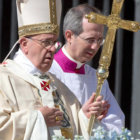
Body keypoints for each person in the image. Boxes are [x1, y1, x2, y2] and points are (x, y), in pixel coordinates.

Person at [0, 1, 108, 140]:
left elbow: (73, 131)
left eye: (54, 42)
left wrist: (85, 117)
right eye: (46, 42)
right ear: (24, 44)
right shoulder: (4, 79)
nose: (52, 49)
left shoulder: (59, 86)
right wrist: (38, 119)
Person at [49, 4, 125, 133]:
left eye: (99, 40)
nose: (95, 47)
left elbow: (116, 122)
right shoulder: (48, 72)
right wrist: (83, 118)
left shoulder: (97, 78)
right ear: (69, 36)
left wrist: (97, 123)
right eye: (90, 40)